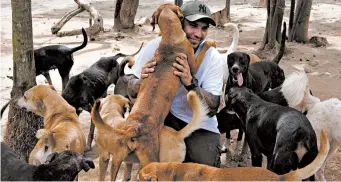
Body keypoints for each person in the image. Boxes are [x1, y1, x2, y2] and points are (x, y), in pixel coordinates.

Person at [117, 1, 224, 167]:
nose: (198, 33)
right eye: (193, 25)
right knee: (148, 161)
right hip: (166, 117)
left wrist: (190, 82)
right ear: (180, 22)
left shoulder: (212, 57)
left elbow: (212, 108)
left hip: (198, 123)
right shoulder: (155, 46)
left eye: (204, 28)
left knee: (205, 167)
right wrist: (139, 82)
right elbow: (122, 85)